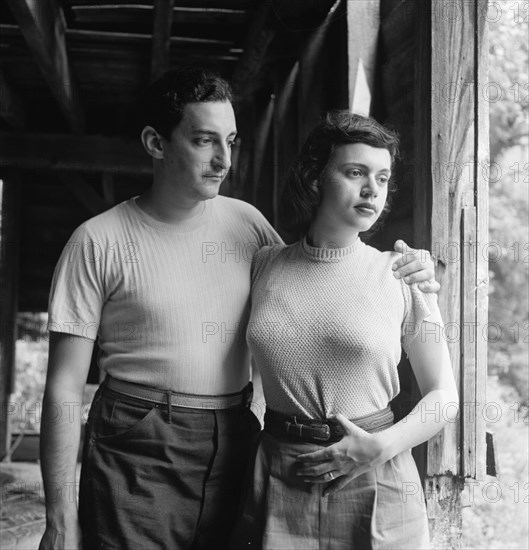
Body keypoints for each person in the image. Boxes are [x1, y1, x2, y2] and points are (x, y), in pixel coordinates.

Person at [38, 69, 439, 550]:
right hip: (140, 438)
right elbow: (62, 386)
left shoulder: (249, 228)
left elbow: (314, 281)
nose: (224, 159)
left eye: (231, 141)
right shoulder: (96, 240)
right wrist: (59, 518)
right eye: (205, 140)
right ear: (155, 142)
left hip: (238, 441)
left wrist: (418, 271)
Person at [232, 112, 458, 549]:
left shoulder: (402, 272)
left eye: (383, 177)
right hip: (280, 469)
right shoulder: (263, 264)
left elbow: (444, 396)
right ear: (315, 177)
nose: (372, 189)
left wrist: (379, 447)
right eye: (355, 172)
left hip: (376, 470)